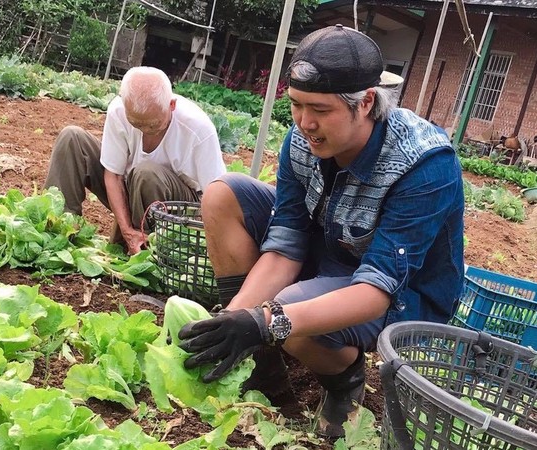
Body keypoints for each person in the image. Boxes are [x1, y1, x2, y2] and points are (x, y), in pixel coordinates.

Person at [177, 25, 464, 437]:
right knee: (224, 195)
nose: (305, 122)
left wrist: (267, 321)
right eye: (295, 105)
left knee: (285, 310)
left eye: (321, 110)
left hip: (401, 294)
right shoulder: (301, 141)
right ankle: (260, 366)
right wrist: (237, 317)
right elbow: (285, 244)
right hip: (332, 252)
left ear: (365, 103)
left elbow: (377, 290)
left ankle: (344, 379)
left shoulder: (423, 165)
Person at [45, 66, 226, 254]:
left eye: (153, 125)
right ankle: (58, 231)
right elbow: (113, 176)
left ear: (171, 105)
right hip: (129, 187)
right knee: (72, 138)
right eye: (136, 124)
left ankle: (147, 248)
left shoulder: (198, 130)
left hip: (177, 207)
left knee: (145, 173)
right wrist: (126, 230)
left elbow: (217, 197)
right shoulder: (118, 111)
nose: (145, 130)